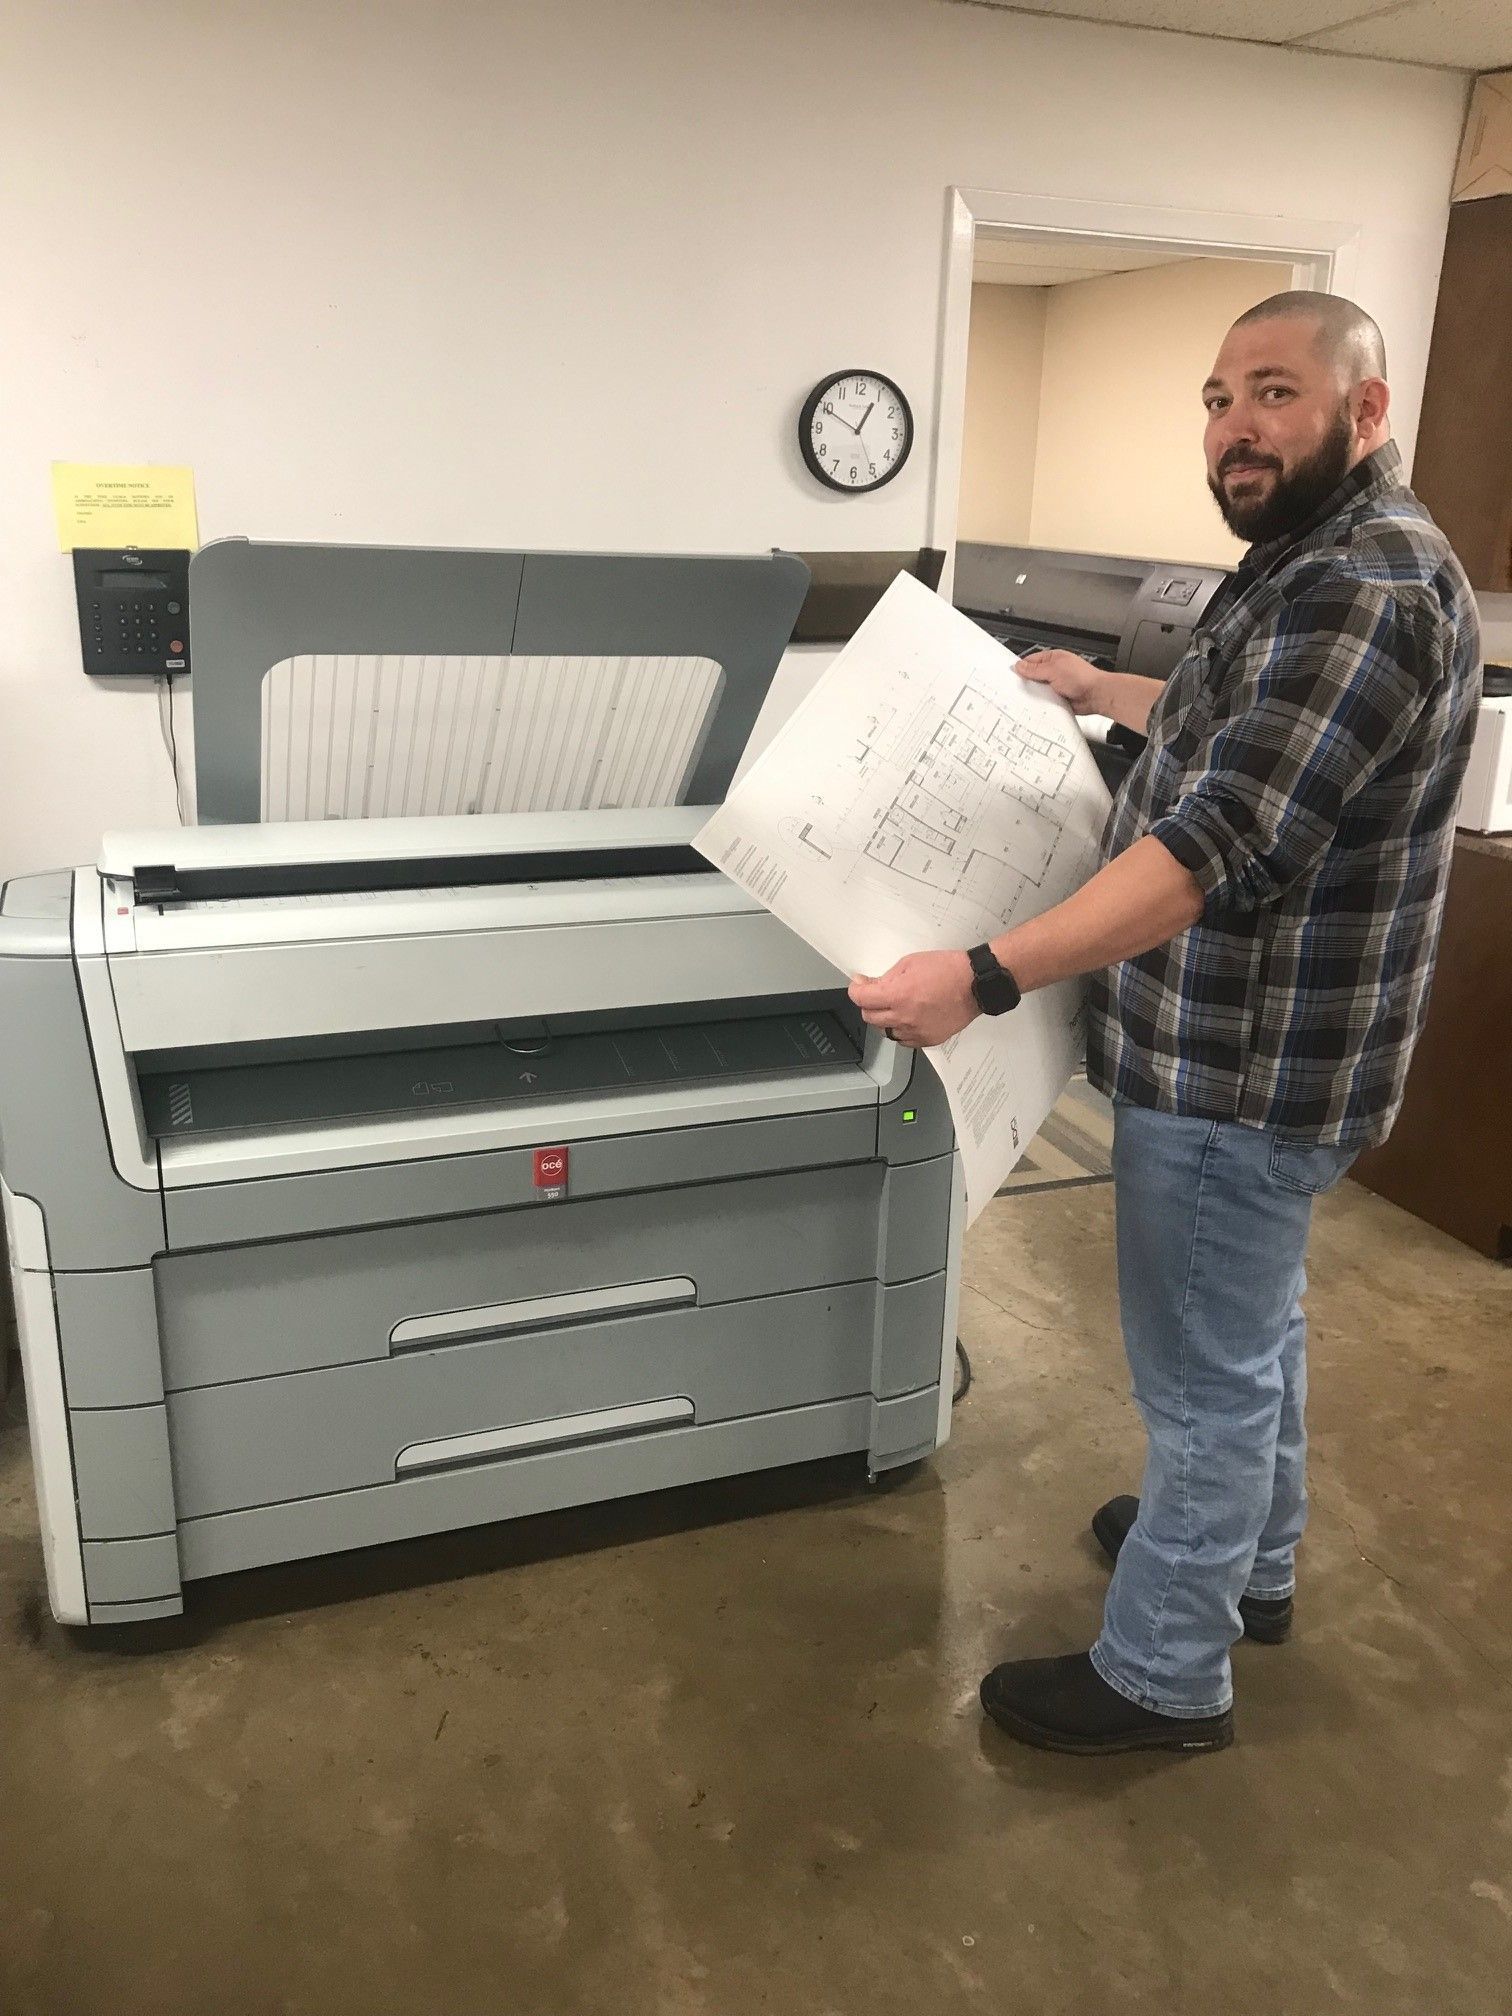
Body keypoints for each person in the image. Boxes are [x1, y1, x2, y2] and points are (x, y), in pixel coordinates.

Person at [849, 291, 1483, 1757]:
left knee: (1204, 1384)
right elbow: (1230, 720)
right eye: (1216, 397)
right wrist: (1102, 689)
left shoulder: (1368, 587)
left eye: (1274, 392)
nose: (1235, 427)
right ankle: (1251, 1564)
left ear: (1365, 410)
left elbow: (1216, 843)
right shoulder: (1308, 560)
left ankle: (1164, 1673)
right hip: (1263, 1062)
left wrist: (984, 974)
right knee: (1252, 1335)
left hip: (1240, 1071)